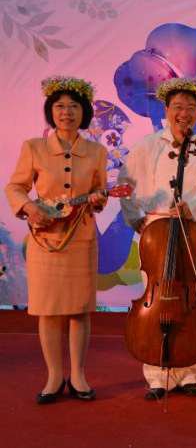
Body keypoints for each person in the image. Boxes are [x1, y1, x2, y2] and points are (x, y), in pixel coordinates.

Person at [119, 78, 196, 400]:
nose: (184, 113)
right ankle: (158, 375)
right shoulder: (146, 145)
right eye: (178, 107)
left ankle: (192, 371)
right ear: (166, 109)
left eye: (191, 107)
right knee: (157, 302)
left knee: (194, 302)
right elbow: (126, 184)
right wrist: (135, 218)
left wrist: (190, 207)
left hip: (194, 230)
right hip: (156, 236)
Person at [5, 76, 107, 403]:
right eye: (60, 106)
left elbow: (100, 193)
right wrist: (29, 207)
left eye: (74, 106)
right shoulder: (33, 147)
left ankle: (78, 376)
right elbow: (15, 187)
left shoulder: (97, 151)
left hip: (81, 237)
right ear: (51, 111)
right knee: (48, 310)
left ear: (84, 112)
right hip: (44, 238)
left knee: (79, 310)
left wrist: (98, 199)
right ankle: (53, 377)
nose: (67, 112)